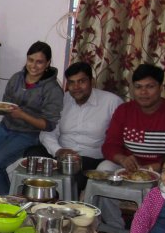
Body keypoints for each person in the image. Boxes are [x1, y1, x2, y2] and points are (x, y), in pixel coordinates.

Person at [98, 63, 165, 229]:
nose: (143, 92)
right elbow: (110, 145)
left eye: (150, 87)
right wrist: (122, 159)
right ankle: (114, 225)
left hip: (161, 168)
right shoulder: (124, 110)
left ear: (161, 88)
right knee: (103, 168)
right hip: (128, 167)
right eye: (138, 87)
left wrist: (153, 167)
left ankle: (152, 232)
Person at [0, 41, 63, 195]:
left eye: (39, 62)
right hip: (6, 127)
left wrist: (22, 115)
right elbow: (6, 107)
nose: (33, 65)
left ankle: (7, 202)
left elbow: (48, 124)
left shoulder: (53, 89)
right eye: (30, 60)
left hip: (29, 134)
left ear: (47, 64)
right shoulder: (16, 78)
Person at [24, 61, 123, 194]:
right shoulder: (61, 100)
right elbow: (48, 132)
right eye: (71, 82)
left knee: (74, 178)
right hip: (61, 155)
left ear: (92, 82)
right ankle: (33, 203)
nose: (76, 87)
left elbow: (118, 140)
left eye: (81, 81)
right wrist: (59, 151)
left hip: (90, 159)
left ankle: (67, 210)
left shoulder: (111, 102)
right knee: (32, 155)